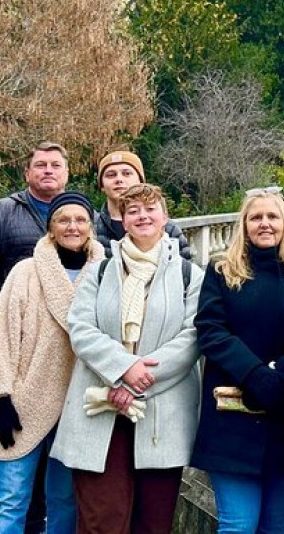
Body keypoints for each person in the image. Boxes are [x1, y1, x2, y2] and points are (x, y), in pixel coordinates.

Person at [51, 184, 203, 534]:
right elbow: (81, 328)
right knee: (101, 519)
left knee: (153, 522)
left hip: (162, 412)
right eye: (133, 210)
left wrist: (139, 380)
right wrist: (123, 370)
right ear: (123, 220)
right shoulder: (100, 271)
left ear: (165, 217)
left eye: (151, 209)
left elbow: (192, 337)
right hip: (99, 409)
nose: (143, 216)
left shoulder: (188, 275)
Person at [0, 192, 104, 534]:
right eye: (63, 220)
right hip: (25, 401)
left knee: (64, 501)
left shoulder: (105, 273)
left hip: (79, 404)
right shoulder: (26, 272)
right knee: (10, 498)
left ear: (91, 227)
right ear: (50, 228)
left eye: (80, 220)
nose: (72, 226)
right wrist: (0, 397)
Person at [0, 141, 69, 534]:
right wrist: (10, 317)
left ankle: (36, 524)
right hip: (7, 346)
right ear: (27, 172)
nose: (47, 171)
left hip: (57, 359)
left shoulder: (79, 215)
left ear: (66, 173)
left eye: (55, 165)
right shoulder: (2, 212)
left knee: (50, 453)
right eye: (39, 165)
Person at [191, 187, 284, 533]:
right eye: (256, 217)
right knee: (238, 525)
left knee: (276, 527)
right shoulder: (222, 271)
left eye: (272, 217)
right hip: (232, 417)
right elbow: (210, 330)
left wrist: (282, 372)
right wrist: (254, 374)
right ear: (244, 224)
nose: (265, 224)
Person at [93, 151, 191, 260]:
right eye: (111, 175)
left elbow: (183, 268)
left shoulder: (168, 228)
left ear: (140, 180)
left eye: (127, 173)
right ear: (101, 185)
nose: (119, 179)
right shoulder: (92, 227)